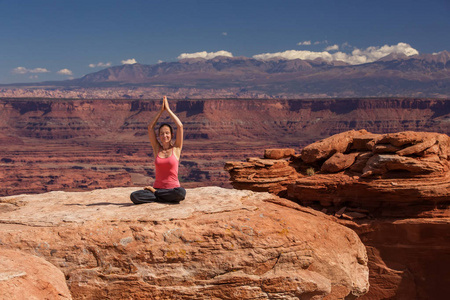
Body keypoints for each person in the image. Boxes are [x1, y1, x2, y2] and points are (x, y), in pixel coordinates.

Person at [130, 96, 186, 204]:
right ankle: (160, 195)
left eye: (167, 133)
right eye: (161, 133)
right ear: (159, 136)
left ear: (171, 135)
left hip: (173, 190)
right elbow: (150, 127)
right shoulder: (157, 149)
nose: (164, 135)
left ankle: (156, 195)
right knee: (134, 196)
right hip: (158, 188)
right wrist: (160, 111)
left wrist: (168, 110)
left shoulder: (177, 148)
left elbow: (180, 126)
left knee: (181, 193)